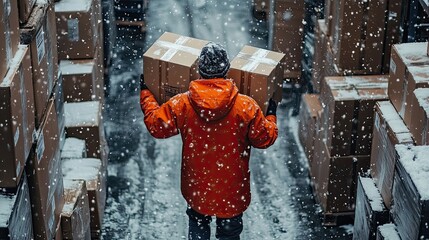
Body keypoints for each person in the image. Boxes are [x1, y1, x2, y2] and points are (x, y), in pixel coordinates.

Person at [140, 42, 278, 239]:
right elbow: (265, 138)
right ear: (227, 69)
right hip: (232, 191)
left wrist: (146, 94)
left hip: (197, 188)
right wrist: (271, 115)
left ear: (199, 70)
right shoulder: (246, 106)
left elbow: (156, 125)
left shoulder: (183, 103)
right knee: (229, 235)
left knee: (198, 226)